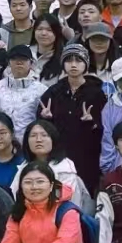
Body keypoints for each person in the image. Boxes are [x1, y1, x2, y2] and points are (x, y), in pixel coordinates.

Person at [38, 45, 108, 192]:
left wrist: (93, 122)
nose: (74, 65)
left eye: (79, 60)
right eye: (69, 61)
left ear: (86, 64)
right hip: (59, 155)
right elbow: (41, 126)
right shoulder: (54, 92)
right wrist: (45, 118)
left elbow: (105, 127)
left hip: (88, 156)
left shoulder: (96, 93)